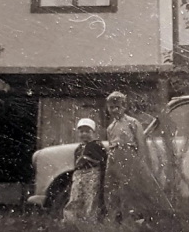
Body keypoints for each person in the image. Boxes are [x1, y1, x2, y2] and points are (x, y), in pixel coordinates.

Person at [103, 90, 172, 221]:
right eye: (111, 107)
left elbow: (141, 143)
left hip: (130, 157)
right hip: (115, 159)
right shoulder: (110, 127)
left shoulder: (132, 123)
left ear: (124, 106)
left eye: (117, 107)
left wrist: (140, 161)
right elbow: (111, 145)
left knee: (134, 187)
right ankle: (121, 217)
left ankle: (142, 216)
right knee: (117, 188)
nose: (114, 110)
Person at [63, 118, 106, 222]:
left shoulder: (97, 145)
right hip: (79, 174)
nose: (84, 134)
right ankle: (71, 220)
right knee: (75, 196)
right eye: (81, 132)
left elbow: (102, 161)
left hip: (92, 173)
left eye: (87, 131)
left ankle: (90, 220)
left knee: (91, 198)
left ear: (93, 132)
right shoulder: (78, 148)